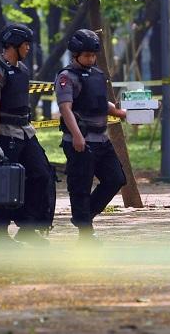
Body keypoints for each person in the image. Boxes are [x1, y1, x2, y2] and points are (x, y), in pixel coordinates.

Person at [0, 23, 56, 247]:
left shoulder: (23, 70)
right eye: (25, 44)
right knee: (4, 183)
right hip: (5, 135)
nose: (28, 48)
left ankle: (27, 228)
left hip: (25, 132)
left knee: (42, 174)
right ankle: (1, 237)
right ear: (13, 45)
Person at [55, 29, 127, 244]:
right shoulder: (66, 77)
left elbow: (101, 103)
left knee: (116, 179)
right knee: (81, 186)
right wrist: (77, 136)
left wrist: (121, 113)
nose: (91, 59)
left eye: (93, 55)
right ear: (76, 54)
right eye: (87, 55)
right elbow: (65, 108)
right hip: (80, 141)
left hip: (101, 140)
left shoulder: (97, 75)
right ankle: (85, 232)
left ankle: (83, 218)